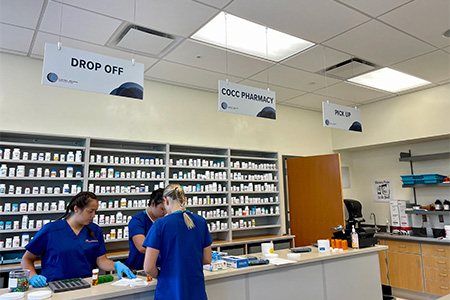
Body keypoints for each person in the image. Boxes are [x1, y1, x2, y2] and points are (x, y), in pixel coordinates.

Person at [21, 192, 136, 287]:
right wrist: (33, 276)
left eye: (95, 211)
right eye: (90, 211)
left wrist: (116, 265)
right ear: (76, 209)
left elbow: (101, 260)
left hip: (85, 285)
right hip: (54, 286)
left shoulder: (95, 231)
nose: (93, 215)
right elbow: (26, 259)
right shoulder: (51, 230)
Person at [143, 184, 213, 300]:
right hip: (196, 291)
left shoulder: (160, 224)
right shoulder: (200, 222)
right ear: (184, 199)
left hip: (170, 291)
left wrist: (163, 275)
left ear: (165, 200)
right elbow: (207, 259)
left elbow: (148, 267)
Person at [124, 188, 166, 270]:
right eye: (162, 209)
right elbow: (142, 247)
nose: (165, 212)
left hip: (158, 266)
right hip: (138, 268)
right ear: (153, 203)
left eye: (166, 209)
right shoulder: (138, 220)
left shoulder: (163, 221)